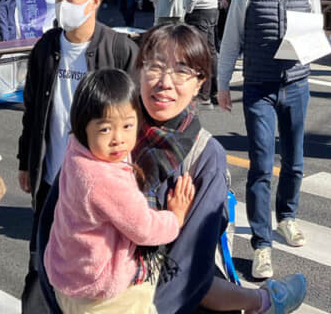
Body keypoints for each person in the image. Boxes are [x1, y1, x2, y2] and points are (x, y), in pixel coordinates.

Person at [35, 24, 308, 314]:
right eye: (155, 66)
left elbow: (188, 268)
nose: (165, 81)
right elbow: (53, 223)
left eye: (181, 71)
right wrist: (56, 298)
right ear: (139, 69)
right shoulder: (103, 129)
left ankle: (265, 301)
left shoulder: (204, 156)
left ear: (200, 82)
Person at [18, 0, 138, 310]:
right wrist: (27, 162)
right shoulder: (46, 48)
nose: (62, 5)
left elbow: (136, 122)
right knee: (41, 263)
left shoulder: (119, 50)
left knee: (96, 272)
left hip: (100, 189)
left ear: (94, 0)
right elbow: (33, 113)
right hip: (53, 179)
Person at [44, 68, 195, 314]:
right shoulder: (104, 180)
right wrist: (175, 218)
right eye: (105, 129)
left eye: (128, 125)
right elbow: (144, 229)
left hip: (69, 276)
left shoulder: (77, 150)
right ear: (83, 127)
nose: (119, 139)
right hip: (103, 296)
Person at [218, 0, 320, 280]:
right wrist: (223, 83)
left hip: (296, 83)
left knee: (294, 160)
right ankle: (261, 243)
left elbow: (315, 30)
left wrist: (309, 47)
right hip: (258, 86)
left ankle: (287, 216)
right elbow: (231, 39)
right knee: (261, 164)